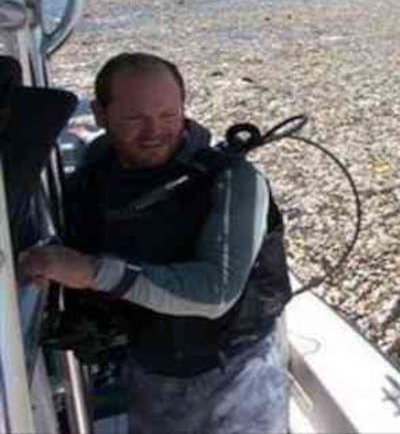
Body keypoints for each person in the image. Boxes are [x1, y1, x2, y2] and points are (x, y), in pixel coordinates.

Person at [18, 52, 292, 434]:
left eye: (169, 116)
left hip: (236, 373)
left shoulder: (234, 181)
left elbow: (215, 293)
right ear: (100, 113)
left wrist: (91, 272)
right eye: (134, 119)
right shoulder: (97, 168)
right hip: (150, 369)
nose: (154, 131)